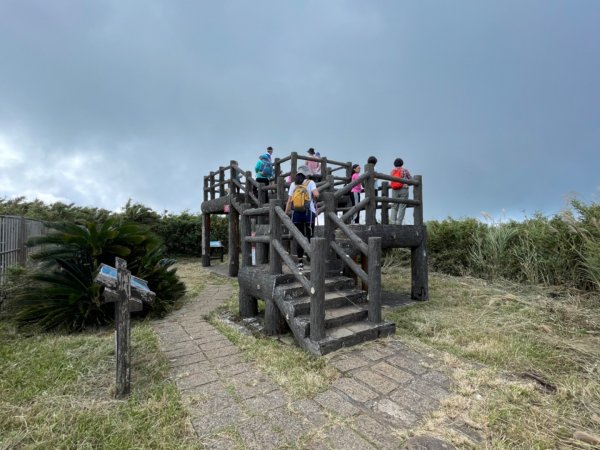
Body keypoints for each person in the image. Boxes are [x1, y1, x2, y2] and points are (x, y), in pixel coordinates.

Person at [285, 166, 319, 272]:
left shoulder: (293, 184)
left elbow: (289, 201)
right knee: (310, 235)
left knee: (299, 237)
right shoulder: (310, 182)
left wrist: (286, 213)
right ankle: (310, 256)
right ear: (306, 174)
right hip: (309, 213)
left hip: (297, 214)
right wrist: (315, 196)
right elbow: (316, 194)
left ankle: (300, 263)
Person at [390, 158, 412, 225]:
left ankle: (393, 222)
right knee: (402, 206)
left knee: (394, 206)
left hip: (394, 190)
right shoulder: (405, 170)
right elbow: (411, 179)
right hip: (403, 189)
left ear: (394, 164)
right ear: (402, 163)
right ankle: (399, 222)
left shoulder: (392, 171)